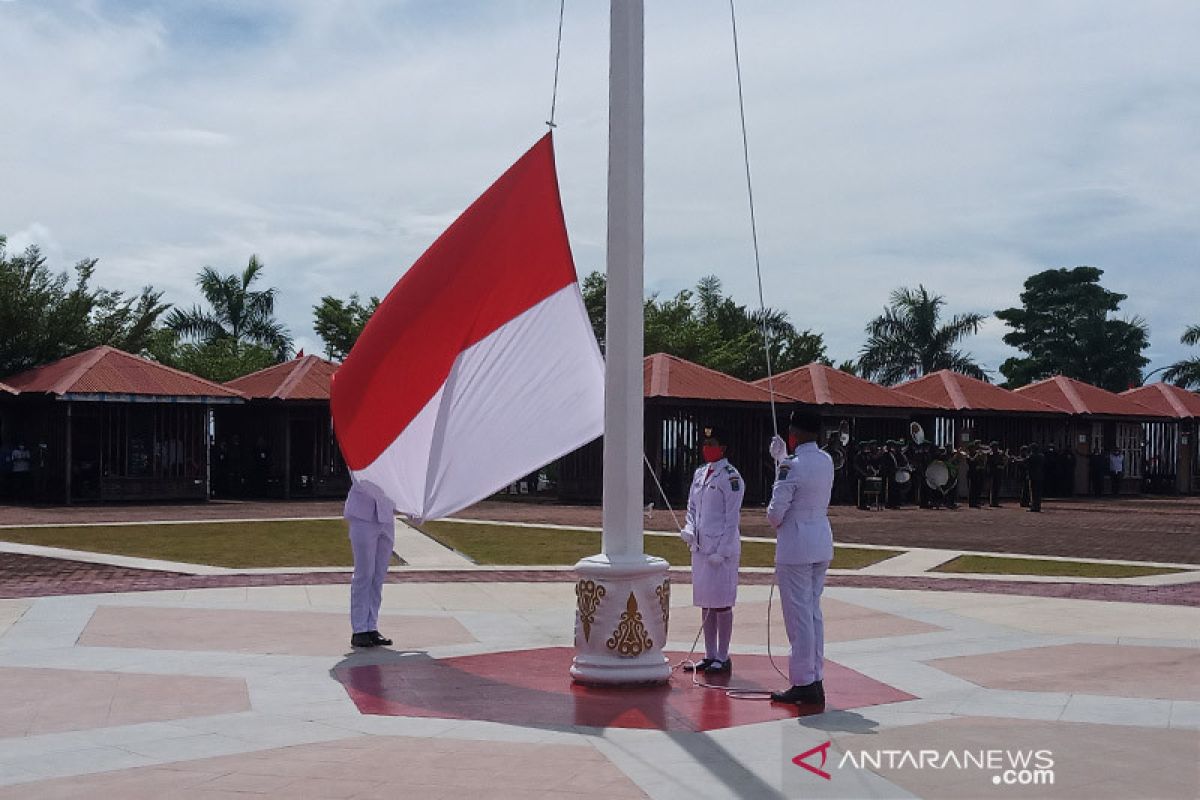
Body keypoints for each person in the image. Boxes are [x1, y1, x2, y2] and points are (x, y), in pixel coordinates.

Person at [766, 409, 834, 707]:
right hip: (820, 539)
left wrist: (781, 464)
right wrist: (782, 462)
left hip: (796, 545)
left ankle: (803, 682)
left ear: (795, 432)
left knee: (798, 618)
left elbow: (775, 513)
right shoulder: (826, 460)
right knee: (813, 613)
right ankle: (814, 676)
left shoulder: (791, 466)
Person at [679, 426, 744, 674]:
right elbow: (692, 508)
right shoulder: (699, 474)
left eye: (713, 444)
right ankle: (709, 654)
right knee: (706, 602)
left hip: (721, 551)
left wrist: (724, 551)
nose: (707, 449)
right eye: (705, 445)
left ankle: (723, 655)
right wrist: (689, 528)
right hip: (701, 547)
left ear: (723, 448)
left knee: (722, 604)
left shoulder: (731, 477)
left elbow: (731, 518)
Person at [344, 480, 397, 648]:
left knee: (378, 575)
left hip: (386, 515)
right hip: (363, 515)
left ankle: (371, 626)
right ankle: (359, 629)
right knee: (364, 574)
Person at [986, 442, 1007, 508]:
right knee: (993, 487)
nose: (996, 448)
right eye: (994, 447)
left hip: (998, 472)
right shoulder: (990, 454)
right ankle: (992, 502)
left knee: (997, 487)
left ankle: (995, 502)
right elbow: (989, 463)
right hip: (992, 472)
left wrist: (1002, 464)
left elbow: (1003, 461)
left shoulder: (999, 454)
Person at [1026, 444, 1046, 513]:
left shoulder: (1032, 456)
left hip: (1033, 476)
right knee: (1038, 492)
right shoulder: (1041, 456)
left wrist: (1015, 460)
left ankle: (1034, 506)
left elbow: (1025, 461)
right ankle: (1038, 506)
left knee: (1033, 492)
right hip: (1040, 476)